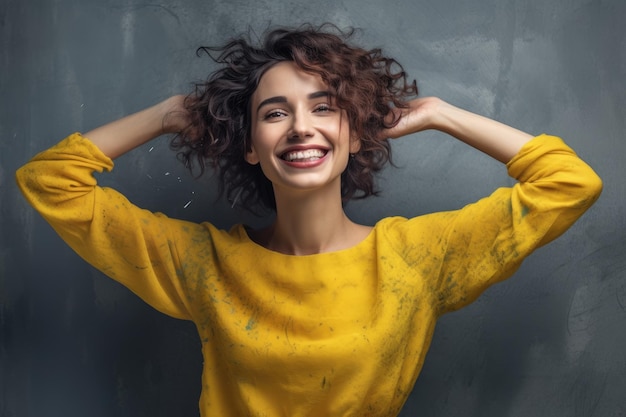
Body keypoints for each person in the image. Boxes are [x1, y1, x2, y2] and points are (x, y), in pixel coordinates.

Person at [16, 24, 602, 417]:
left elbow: (569, 182)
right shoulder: (202, 262)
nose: (301, 127)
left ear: (354, 131)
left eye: (325, 107)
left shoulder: (417, 257)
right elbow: (50, 180)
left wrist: (442, 115)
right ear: (250, 144)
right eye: (275, 113)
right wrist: (169, 114)